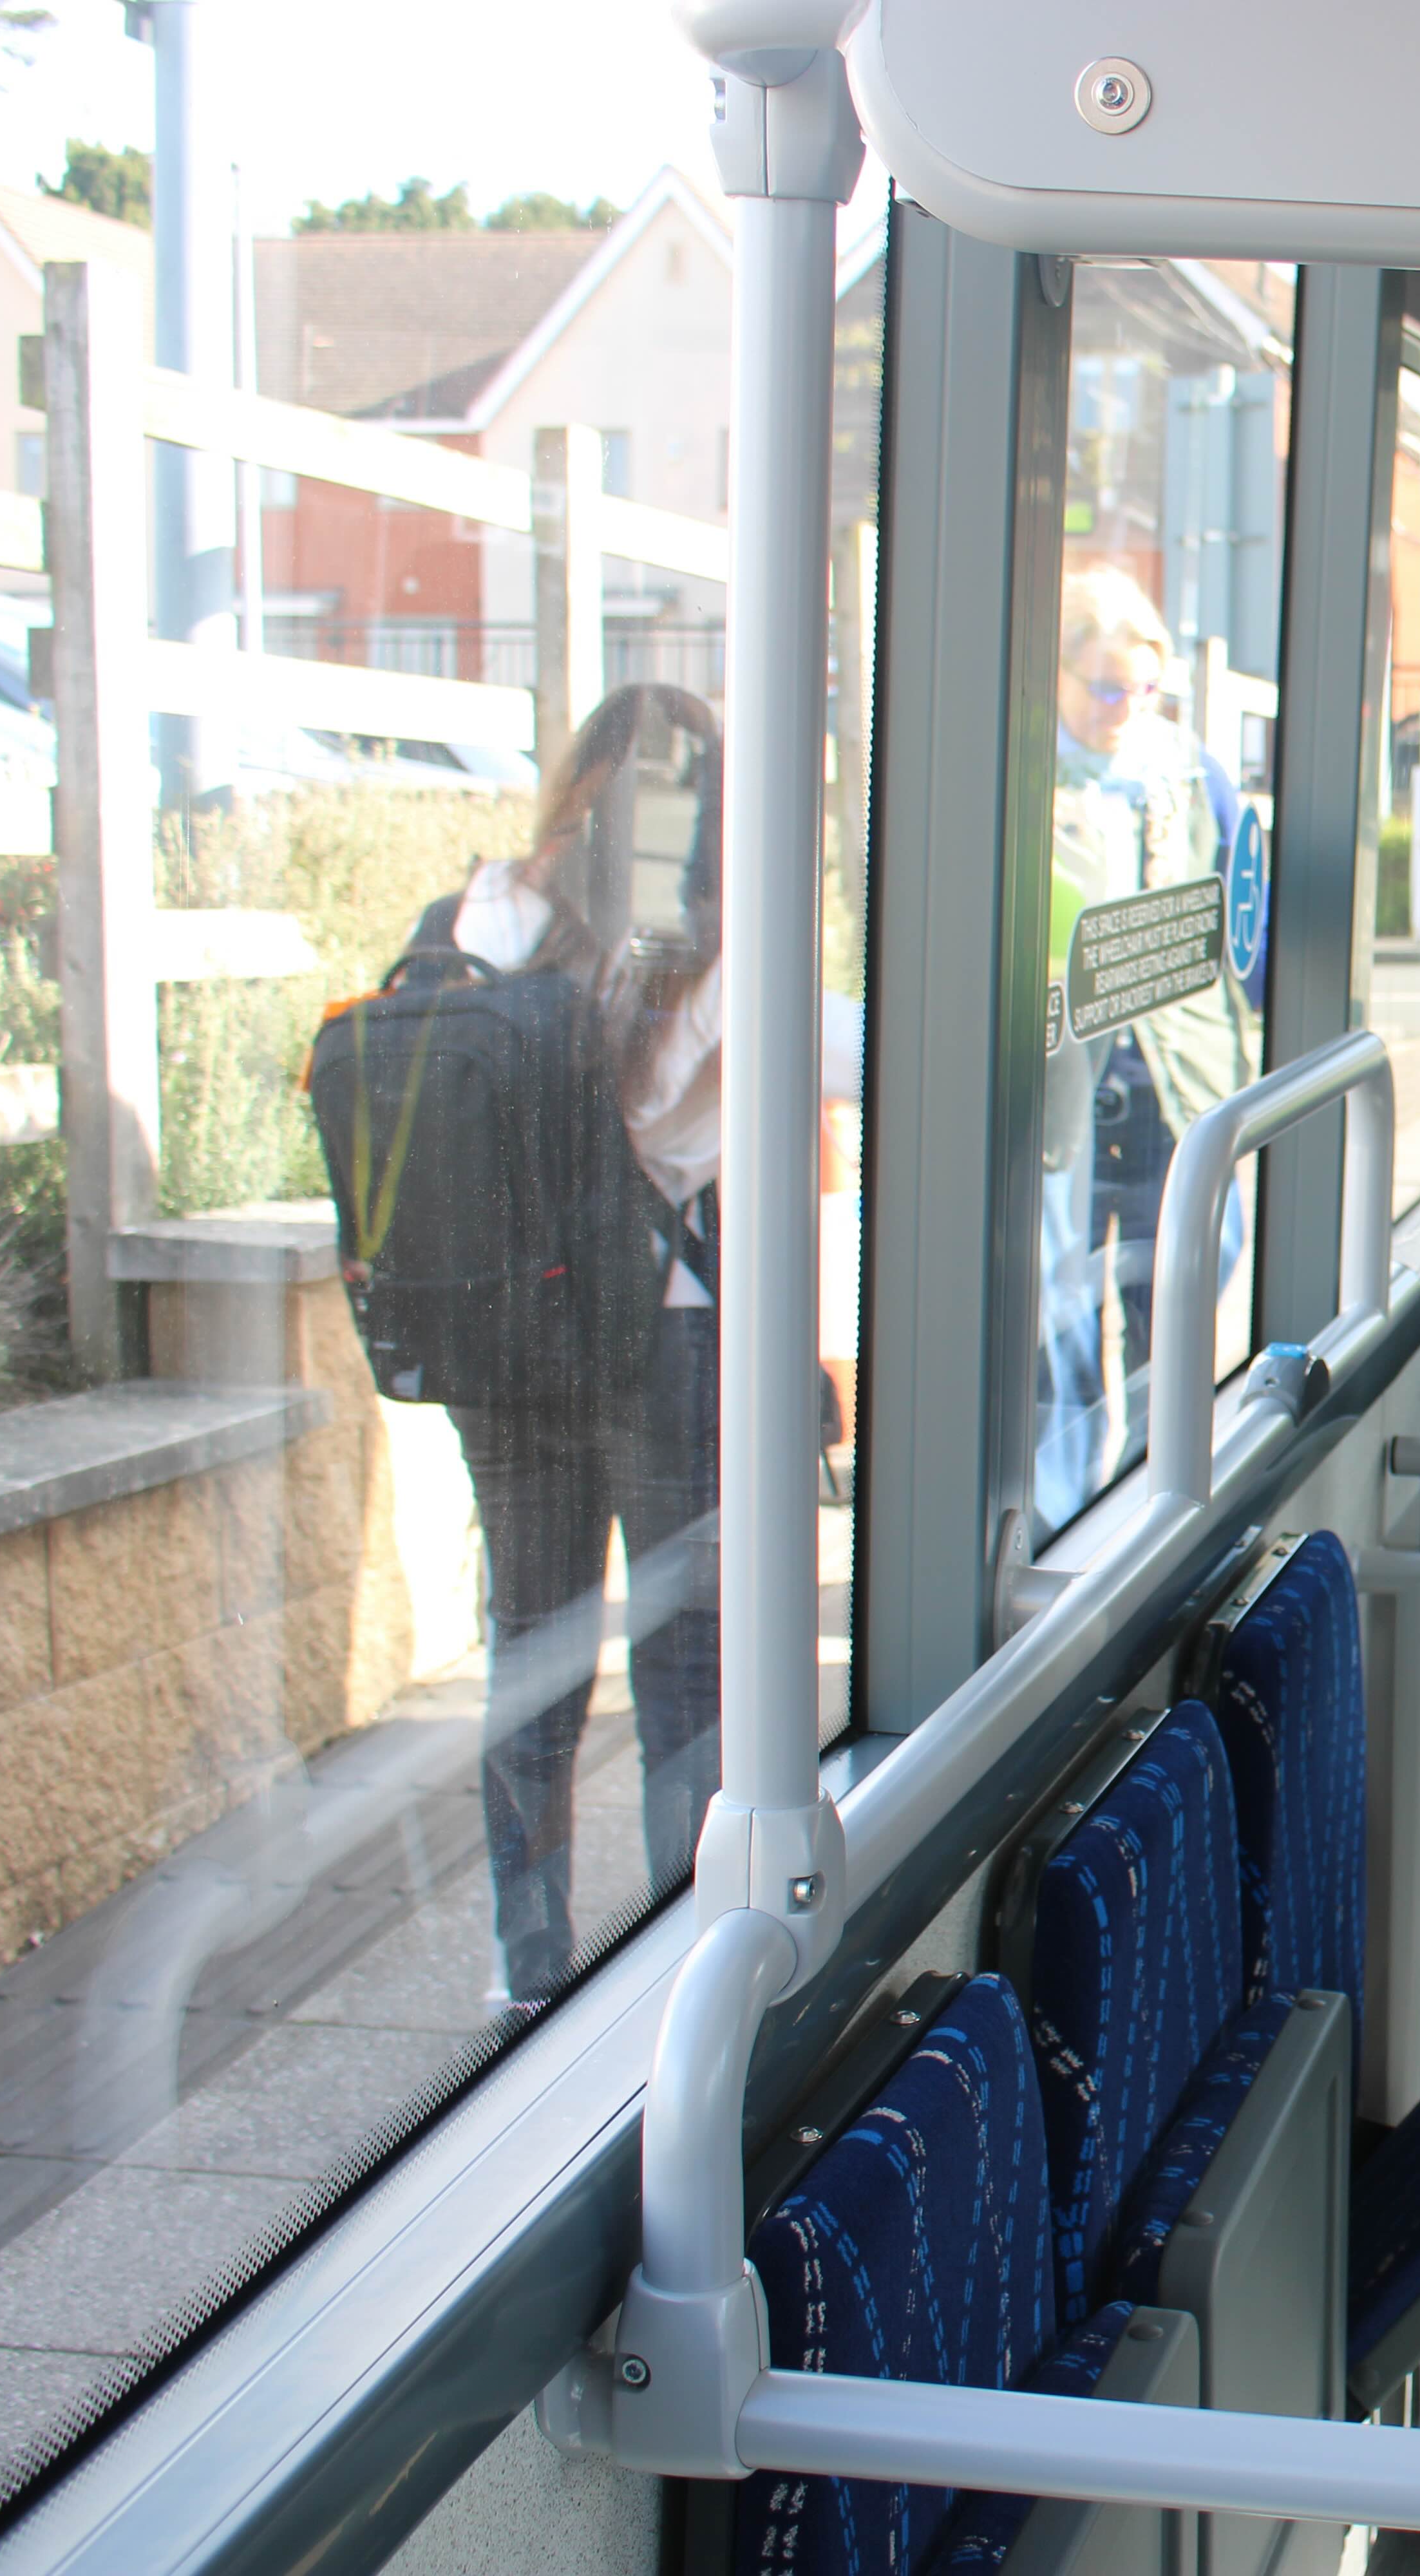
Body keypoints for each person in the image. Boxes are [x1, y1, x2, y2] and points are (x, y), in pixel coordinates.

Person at [432, 682, 861, 2007]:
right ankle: (682, 1968)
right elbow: (866, 1053)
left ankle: (529, 1967)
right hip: (654, 1343)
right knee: (682, 1653)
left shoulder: (487, 909)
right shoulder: (722, 964)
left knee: (531, 1648)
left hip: (505, 1342)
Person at [1036, 566, 1253, 1530]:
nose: (1128, 709)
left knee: (1175, 1306)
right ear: (1058, 677)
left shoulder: (1191, 771)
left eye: (1145, 689)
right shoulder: (1020, 779)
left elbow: (1243, 923)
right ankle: (1069, 1517)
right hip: (1064, 1096)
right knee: (1060, 1318)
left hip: (1174, 1088)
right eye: (1108, 687)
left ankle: (1154, 1509)